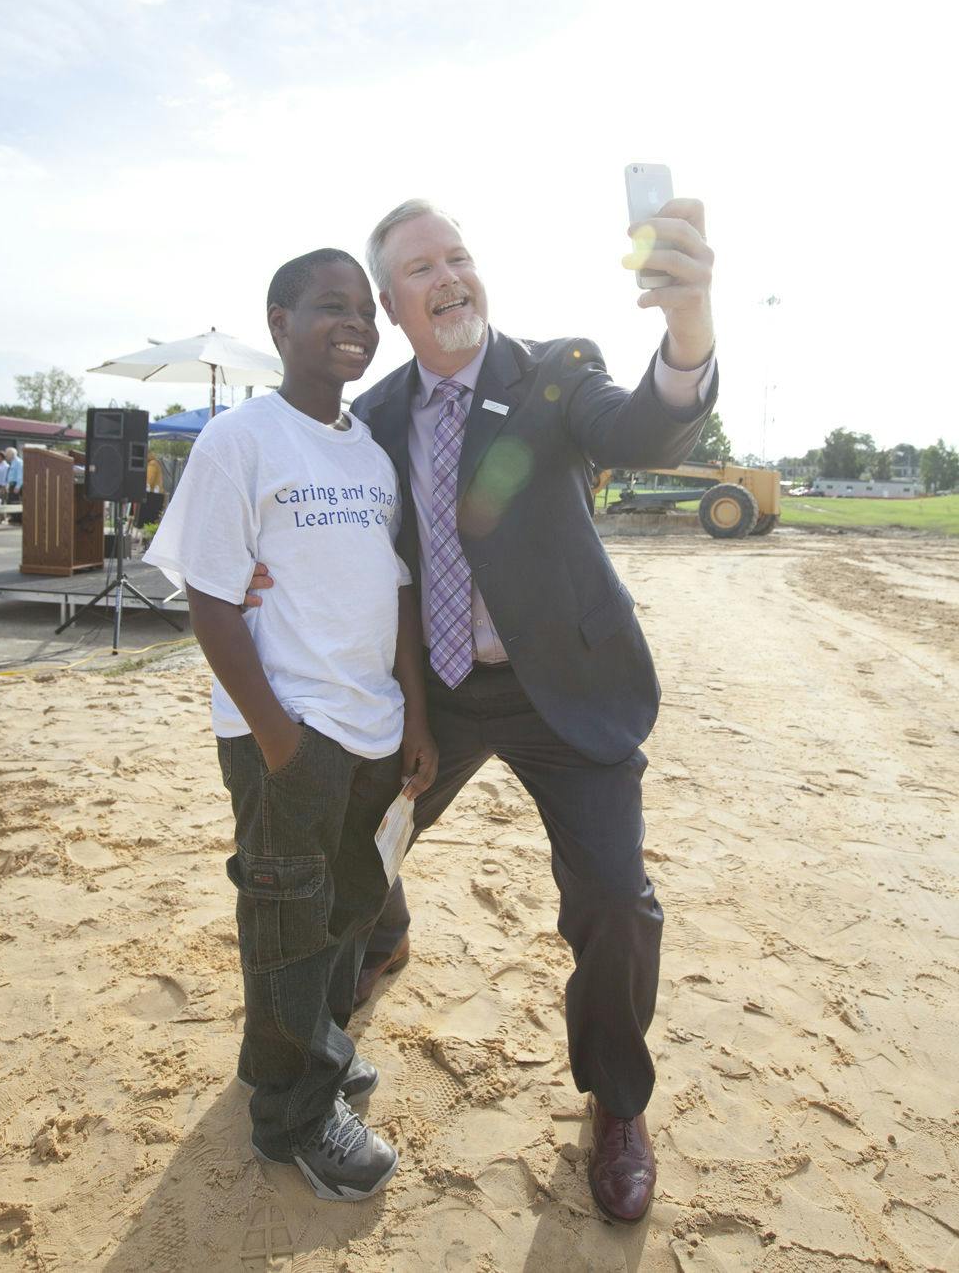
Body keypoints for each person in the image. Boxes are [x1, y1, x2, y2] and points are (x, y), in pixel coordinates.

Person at [247, 196, 718, 1222]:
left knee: (613, 903)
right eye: (422, 268)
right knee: (358, 849)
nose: (449, 276)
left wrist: (685, 327)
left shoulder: (552, 372)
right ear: (389, 302)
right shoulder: (366, 420)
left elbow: (644, 428)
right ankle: (384, 938)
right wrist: (253, 572)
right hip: (440, 696)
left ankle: (619, 1105)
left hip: (571, 696)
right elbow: (322, 535)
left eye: (458, 255)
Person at [145, 248, 437, 1202]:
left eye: (365, 309)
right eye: (329, 307)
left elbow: (395, 597)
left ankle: (302, 1052)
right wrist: (277, 737)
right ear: (280, 322)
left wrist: (416, 721)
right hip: (287, 739)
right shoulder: (243, 439)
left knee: (346, 913)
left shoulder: (368, 451)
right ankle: (293, 1118)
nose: (354, 322)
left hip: (372, 730)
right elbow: (212, 597)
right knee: (284, 922)